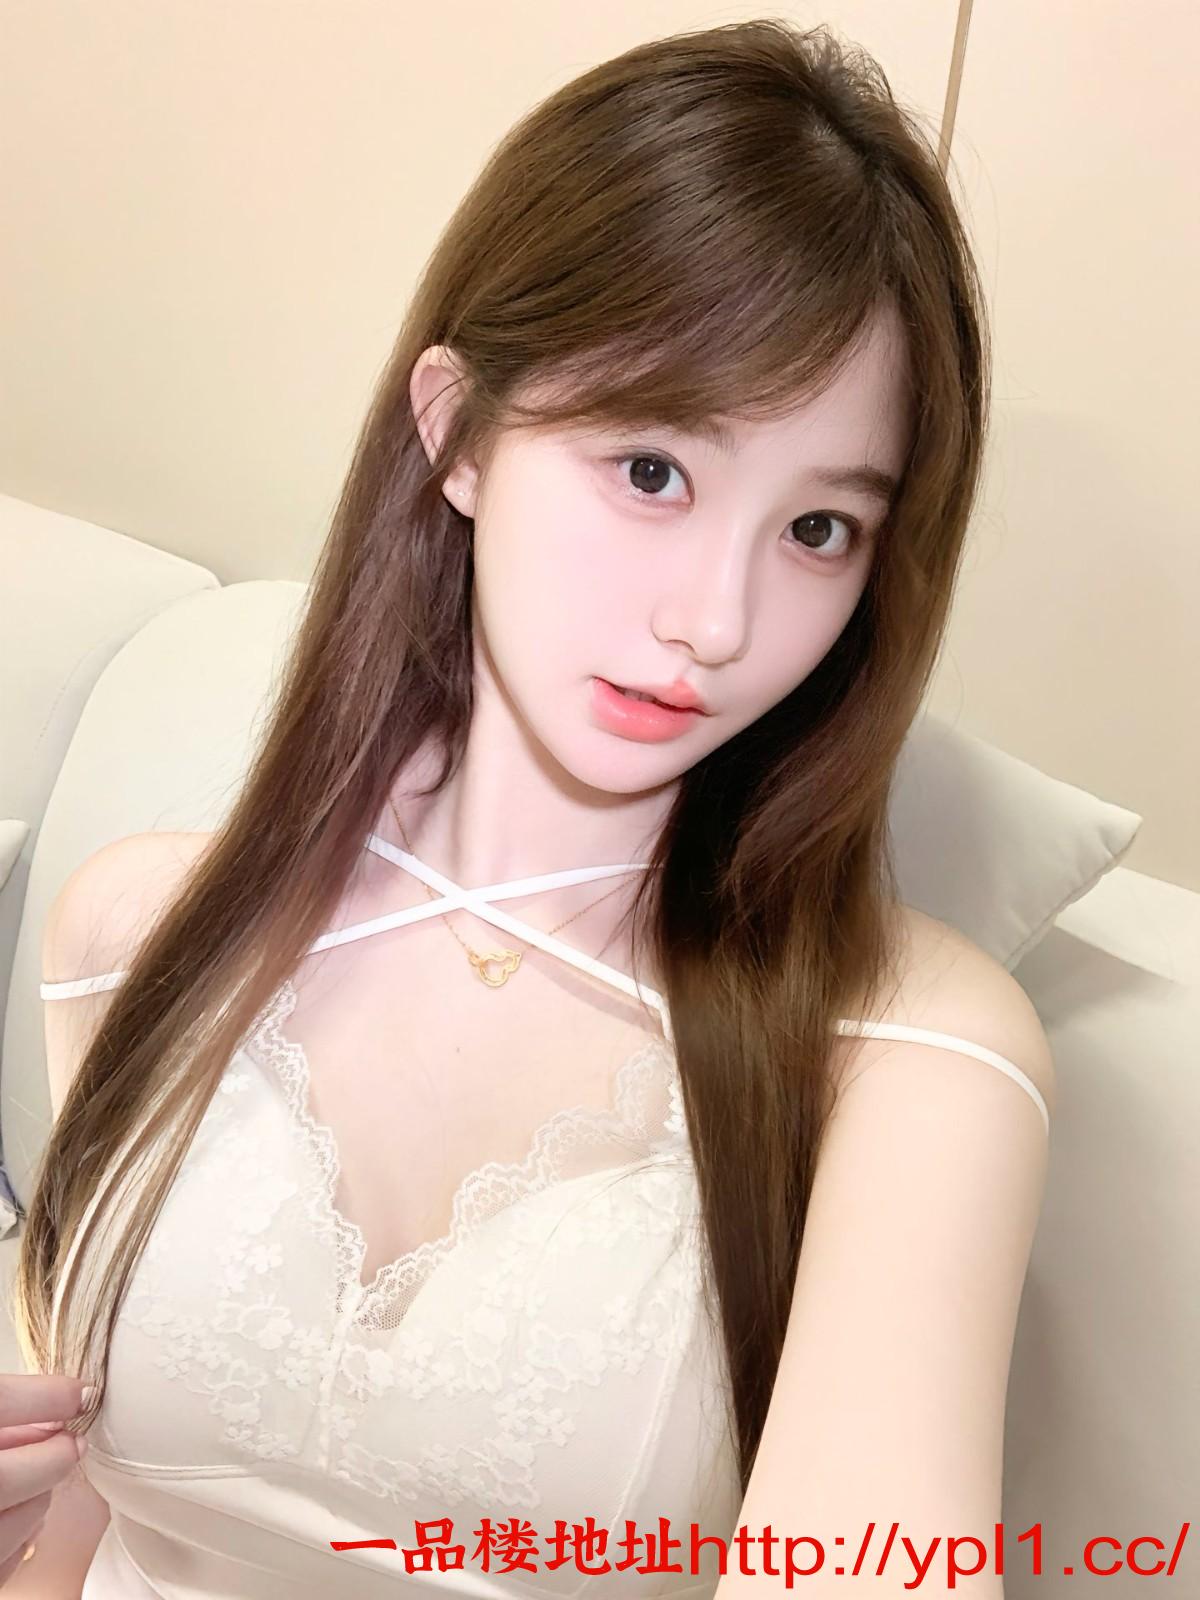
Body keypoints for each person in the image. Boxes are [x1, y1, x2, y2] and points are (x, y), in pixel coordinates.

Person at [10, 17, 1054, 1598]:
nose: (717, 620)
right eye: (653, 471)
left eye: (820, 528)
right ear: (457, 431)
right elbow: (70, 1518)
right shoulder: (140, 930)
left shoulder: (902, 1059)